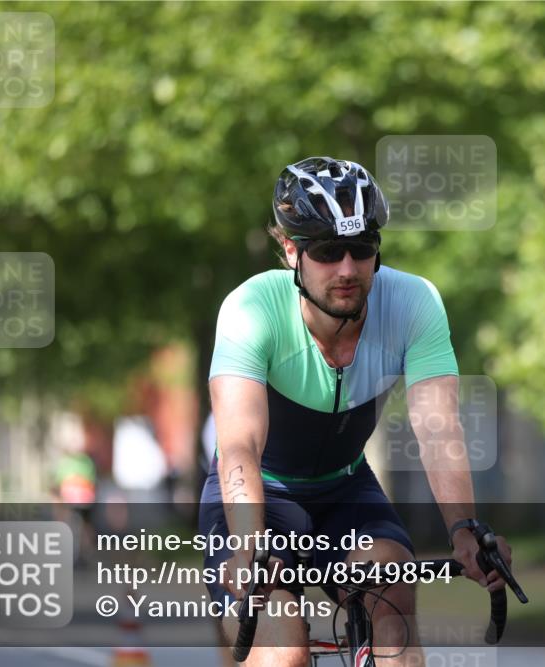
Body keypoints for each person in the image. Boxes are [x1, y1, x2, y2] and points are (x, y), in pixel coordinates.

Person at [198, 156, 512, 667]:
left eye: (361, 248)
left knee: (394, 597)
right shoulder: (250, 309)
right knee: (283, 652)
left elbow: (437, 427)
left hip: (345, 488)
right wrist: (249, 544)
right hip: (263, 492)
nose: (347, 268)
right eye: (326, 250)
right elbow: (239, 446)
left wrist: (465, 530)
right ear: (290, 250)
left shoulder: (413, 302)